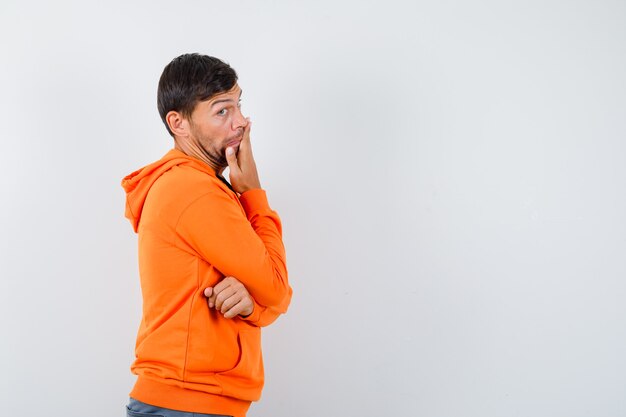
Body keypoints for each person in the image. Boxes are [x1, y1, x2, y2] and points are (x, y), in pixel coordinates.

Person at [121, 53, 292, 417]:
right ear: (178, 123)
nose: (242, 122)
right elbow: (277, 285)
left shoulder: (195, 185)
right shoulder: (193, 190)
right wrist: (253, 194)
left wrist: (254, 303)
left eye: (239, 105)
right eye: (221, 111)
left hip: (187, 402)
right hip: (186, 403)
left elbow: (270, 295)